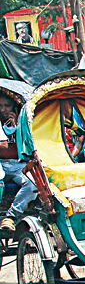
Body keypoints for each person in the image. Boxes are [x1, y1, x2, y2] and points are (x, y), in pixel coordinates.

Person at [0, 94, 38, 236]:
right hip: (1, 165)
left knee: (33, 184)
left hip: (18, 165)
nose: (3, 110)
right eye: (0, 106)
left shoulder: (24, 124)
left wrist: (18, 128)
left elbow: (29, 147)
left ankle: (11, 217)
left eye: (7, 106)